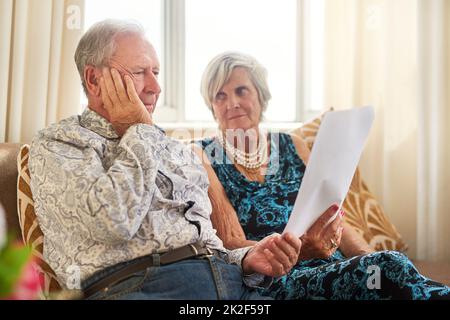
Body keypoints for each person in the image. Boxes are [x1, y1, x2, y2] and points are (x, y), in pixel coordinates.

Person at [28, 20, 302, 300]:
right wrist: (140, 130)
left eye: (156, 72)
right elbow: (114, 221)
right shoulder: (60, 143)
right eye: (139, 72)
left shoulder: (174, 150)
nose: (155, 87)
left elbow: (209, 242)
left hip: (227, 285)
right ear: (94, 79)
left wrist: (246, 258)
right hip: (143, 289)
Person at [193, 51, 450, 300]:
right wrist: (298, 252)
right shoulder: (204, 155)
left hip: (331, 264)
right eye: (220, 96)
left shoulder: (293, 144)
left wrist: (367, 257)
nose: (232, 103)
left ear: (261, 95)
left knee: (383, 270)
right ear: (212, 106)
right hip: (275, 275)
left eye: (241, 91)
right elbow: (230, 241)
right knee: (389, 267)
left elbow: (332, 212)